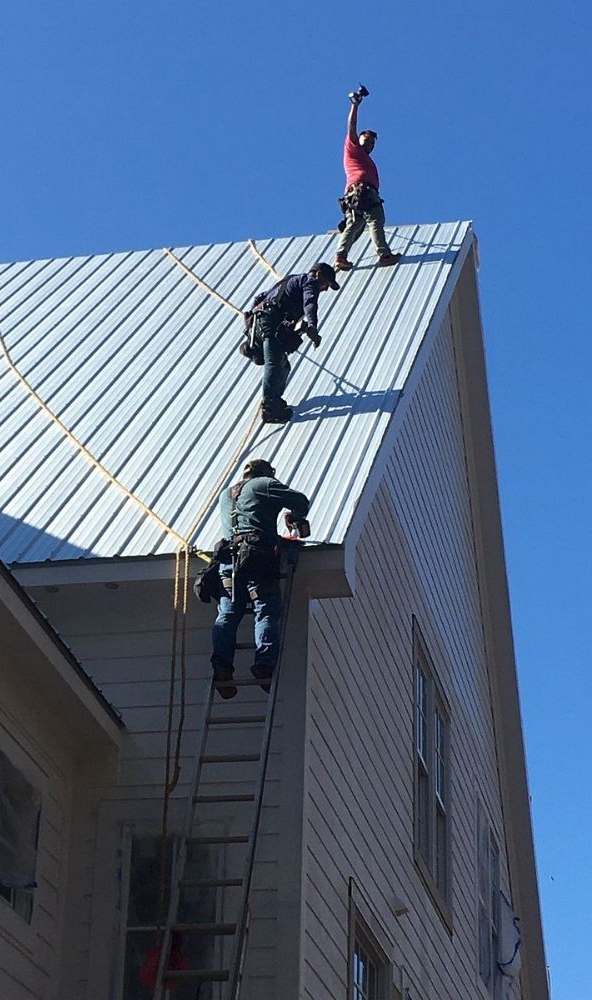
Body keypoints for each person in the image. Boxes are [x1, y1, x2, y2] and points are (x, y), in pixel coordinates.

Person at [211, 459, 310, 699]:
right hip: (257, 558)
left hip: (229, 561)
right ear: (266, 473)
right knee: (265, 609)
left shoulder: (227, 494)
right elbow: (301, 501)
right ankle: (264, 663)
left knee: (227, 614)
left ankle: (222, 668)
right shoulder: (264, 484)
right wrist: (293, 516)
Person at [251, 262, 339, 424]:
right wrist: (312, 325)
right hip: (271, 324)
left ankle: (255, 349)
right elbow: (310, 303)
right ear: (318, 274)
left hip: (260, 324)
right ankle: (270, 408)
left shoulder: (290, 279)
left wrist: (251, 323)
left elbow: (259, 298)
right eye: (326, 284)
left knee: (284, 366)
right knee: (275, 363)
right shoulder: (309, 281)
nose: (325, 289)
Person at [334, 90, 401, 272]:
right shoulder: (353, 148)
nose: (370, 144)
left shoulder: (364, 158)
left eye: (373, 143)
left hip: (360, 193)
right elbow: (352, 124)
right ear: (359, 138)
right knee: (375, 218)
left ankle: (341, 256)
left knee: (356, 223)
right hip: (362, 191)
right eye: (367, 140)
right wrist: (355, 105)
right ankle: (384, 254)